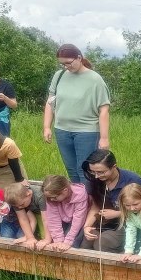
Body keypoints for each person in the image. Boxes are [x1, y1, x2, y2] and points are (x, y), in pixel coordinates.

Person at [43, 44, 111, 183]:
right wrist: (46, 127)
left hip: (86, 132)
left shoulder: (95, 79)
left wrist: (104, 138)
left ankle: (89, 202)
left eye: (68, 62)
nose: (66, 66)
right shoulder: (59, 75)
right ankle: (78, 201)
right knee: (71, 169)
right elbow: (50, 102)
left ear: (79, 58)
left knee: (84, 170)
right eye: (62, 64)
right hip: (62, 130)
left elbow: (103, 110)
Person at [80, 149, 141, 253]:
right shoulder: (95, 180)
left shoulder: (133, 181)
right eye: (93, 172)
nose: (96, 176)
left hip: (129, 224)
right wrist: (87, 226)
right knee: (87, 239)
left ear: (114, 166)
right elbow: (95, 206)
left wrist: (117, 214)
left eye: (101, 172)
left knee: (103, 243)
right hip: (105, 223)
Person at [36, 175, 89, 252]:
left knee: (74, 244)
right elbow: (53, 220)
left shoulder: (80, 195)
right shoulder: (51, 198)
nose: (51, 199)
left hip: (81, 222)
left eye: (54, 197)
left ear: (65, 190)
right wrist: (58, 241)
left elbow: (78, 220)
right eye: (49, 197)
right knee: (56, 244)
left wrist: (68, 241)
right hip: (64, 220)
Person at [3, 182, 49, 247]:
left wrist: (47, 239)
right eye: (17, 206)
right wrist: (30, 238)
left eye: (22, 204)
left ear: (29, 194)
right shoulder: (18, 201)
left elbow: (46, 219)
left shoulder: (40, 196)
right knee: (27, 236)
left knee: (45, 236)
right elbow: (23, 219)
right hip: (32, 214)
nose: (20, 208)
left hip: (46, 213)